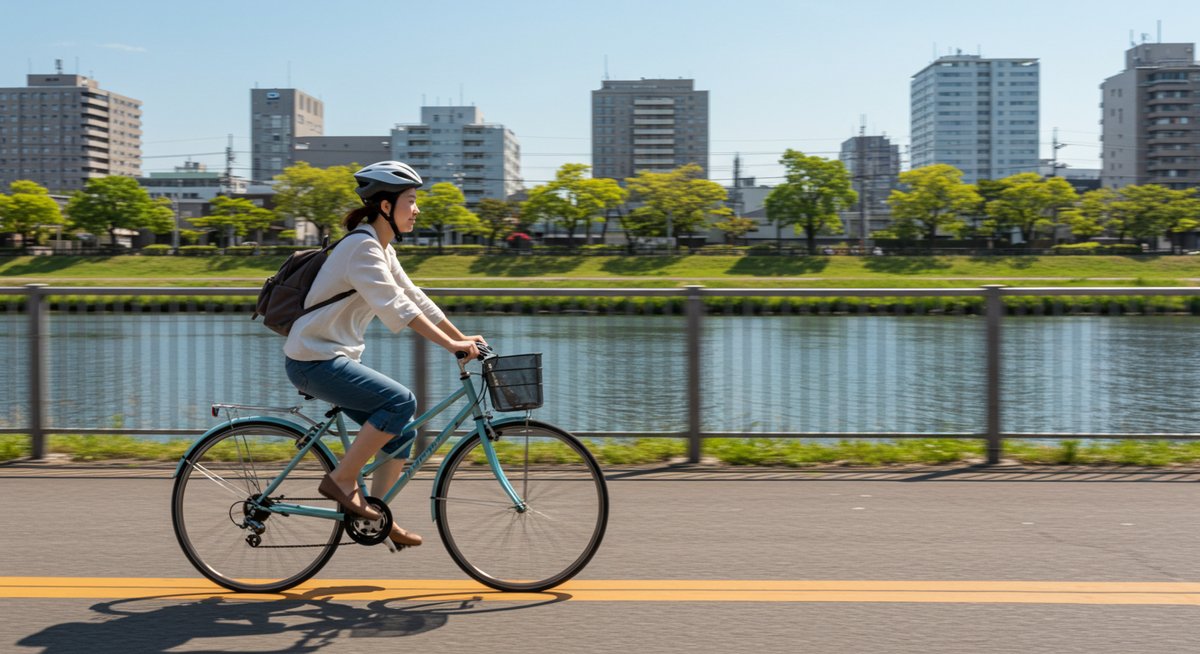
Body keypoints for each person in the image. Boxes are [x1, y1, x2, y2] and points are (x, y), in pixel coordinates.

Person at [283, 160, 484, 548]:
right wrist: (451, 346)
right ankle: (342, 481)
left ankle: (377, 515)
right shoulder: (361, 248)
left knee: (401, 429)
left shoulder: (380, 248)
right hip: (313, 360)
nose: (417, 209)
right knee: (399, 401)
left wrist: (461, 337)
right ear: (386, 207)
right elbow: (398, 309)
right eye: (411, 200)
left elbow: (415, 297)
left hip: (330, 357)